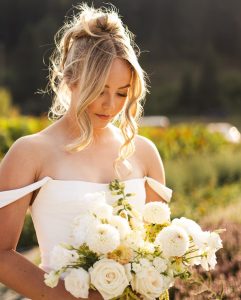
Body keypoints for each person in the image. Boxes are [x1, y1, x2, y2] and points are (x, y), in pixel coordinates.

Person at [0, 3, 172, 299]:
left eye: (121, 92)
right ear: (69, 79)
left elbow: (159, 255)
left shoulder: (144, 153)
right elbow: (1, 255)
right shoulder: (29, 152)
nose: (111, 105)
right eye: (99, 89)